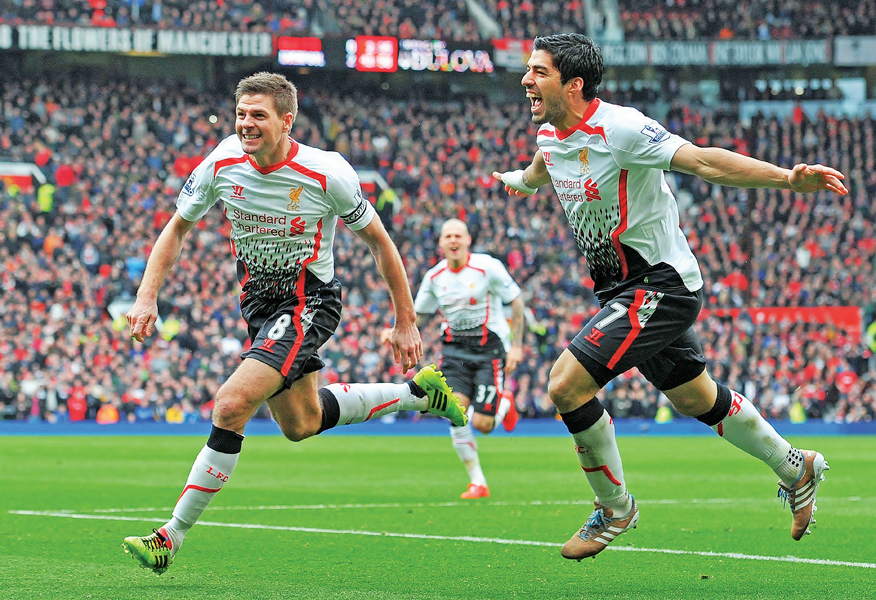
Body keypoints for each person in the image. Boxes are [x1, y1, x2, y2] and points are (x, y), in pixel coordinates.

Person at [492, 33, 845, 561]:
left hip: (660, 284)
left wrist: (787, 180)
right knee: (694, 399)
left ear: (575, 83)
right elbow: (546, 163)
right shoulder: (550, 136)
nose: (526, 80)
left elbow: (703, 161)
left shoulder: (624, 128)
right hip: (620, 289)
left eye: (538, 72)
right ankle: (797, 466)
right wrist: (521, 180)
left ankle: (615, 508)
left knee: (564, 386)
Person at [121, 72, 466, 575]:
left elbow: (379, 242)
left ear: (287, 121)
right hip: (260, 309)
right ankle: (419, 394)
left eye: (258, 115)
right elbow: (177, 228)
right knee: (300, 424)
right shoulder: (221, 163)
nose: (246, 123)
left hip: (309, 303)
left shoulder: (326, 173)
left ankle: (169, 536)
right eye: (241, 113)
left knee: (232, 402)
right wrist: (146, 295)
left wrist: (405, 320)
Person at [410, 218, 525, 498]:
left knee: (483, 426)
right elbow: (421, 315)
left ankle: (504, 403)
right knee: (456, 413)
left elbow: (517, 302)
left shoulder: (487, 267)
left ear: (467, 240)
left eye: (458, 236)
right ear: (440, 243)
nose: (453, 240)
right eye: (447, 236)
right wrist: (398, 329)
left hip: (490, 350)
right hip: (454, 351)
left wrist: (517, 346)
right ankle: (478, 482)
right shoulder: (435, 277)